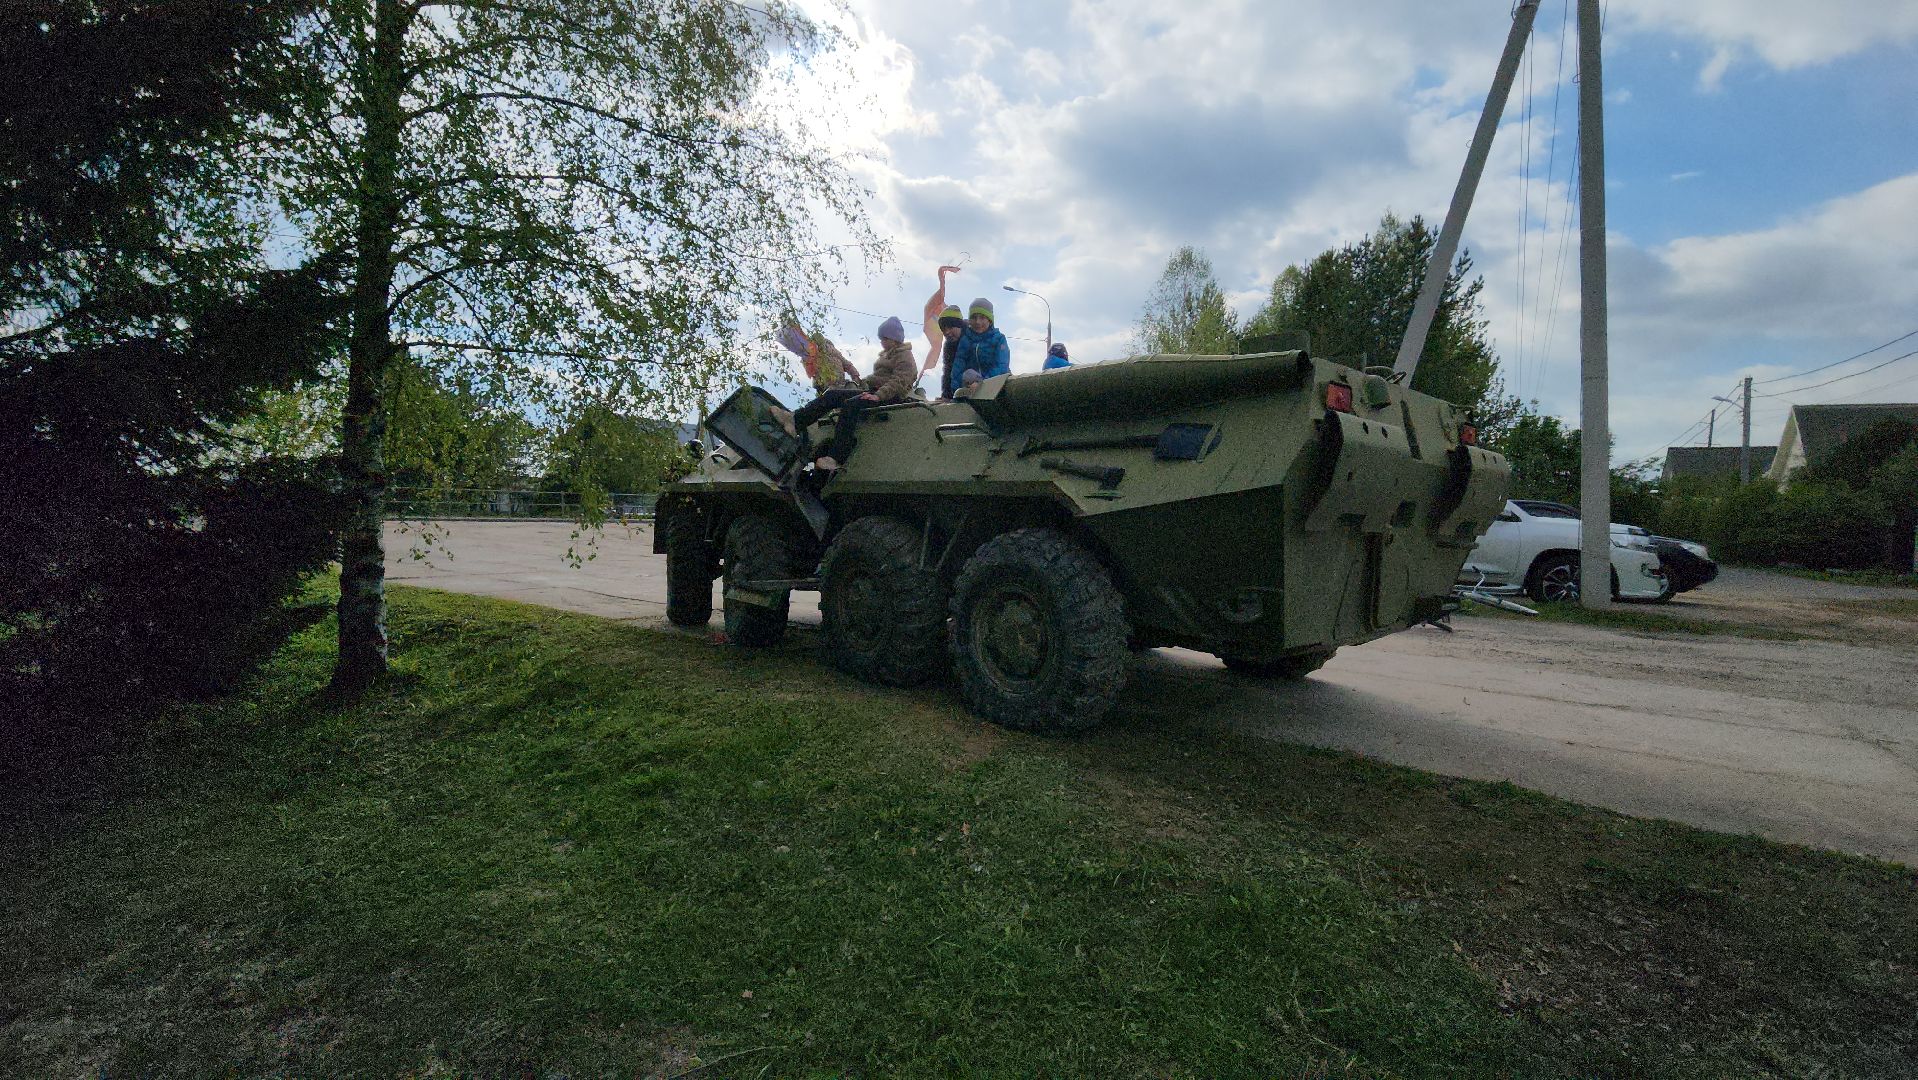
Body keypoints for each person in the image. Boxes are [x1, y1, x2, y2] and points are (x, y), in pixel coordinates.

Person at [792, 315, 918, 474]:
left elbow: (899, 381)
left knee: (850, 405)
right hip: (874, 391)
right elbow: (879, 377)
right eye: (881, 339)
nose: (882, 342)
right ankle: (795, 422)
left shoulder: (905, 356)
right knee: (833, 395)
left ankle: (836, 457)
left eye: (885, 338)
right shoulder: (888, 354)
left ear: (894, 338)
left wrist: (878, 395)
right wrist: (864, 383)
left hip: (891, 397)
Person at [948, 296, 1010, 397]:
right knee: (969, 373)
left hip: (996, 388)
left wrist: (982, 384)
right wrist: (958, 390)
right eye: (974, 317)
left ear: (990, 320)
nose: (977, 322)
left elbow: (1001, 366)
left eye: (982, 317)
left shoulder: (999, 339)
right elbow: (958, 367)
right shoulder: (966, 340)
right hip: (970, 389)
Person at [920, 265, 966, 393]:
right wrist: (946, 393)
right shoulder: (949, 345)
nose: (947, 332)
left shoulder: (974, 337)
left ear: (959, 325)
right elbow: (948, 370)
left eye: (951, 327)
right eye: (944, 329)